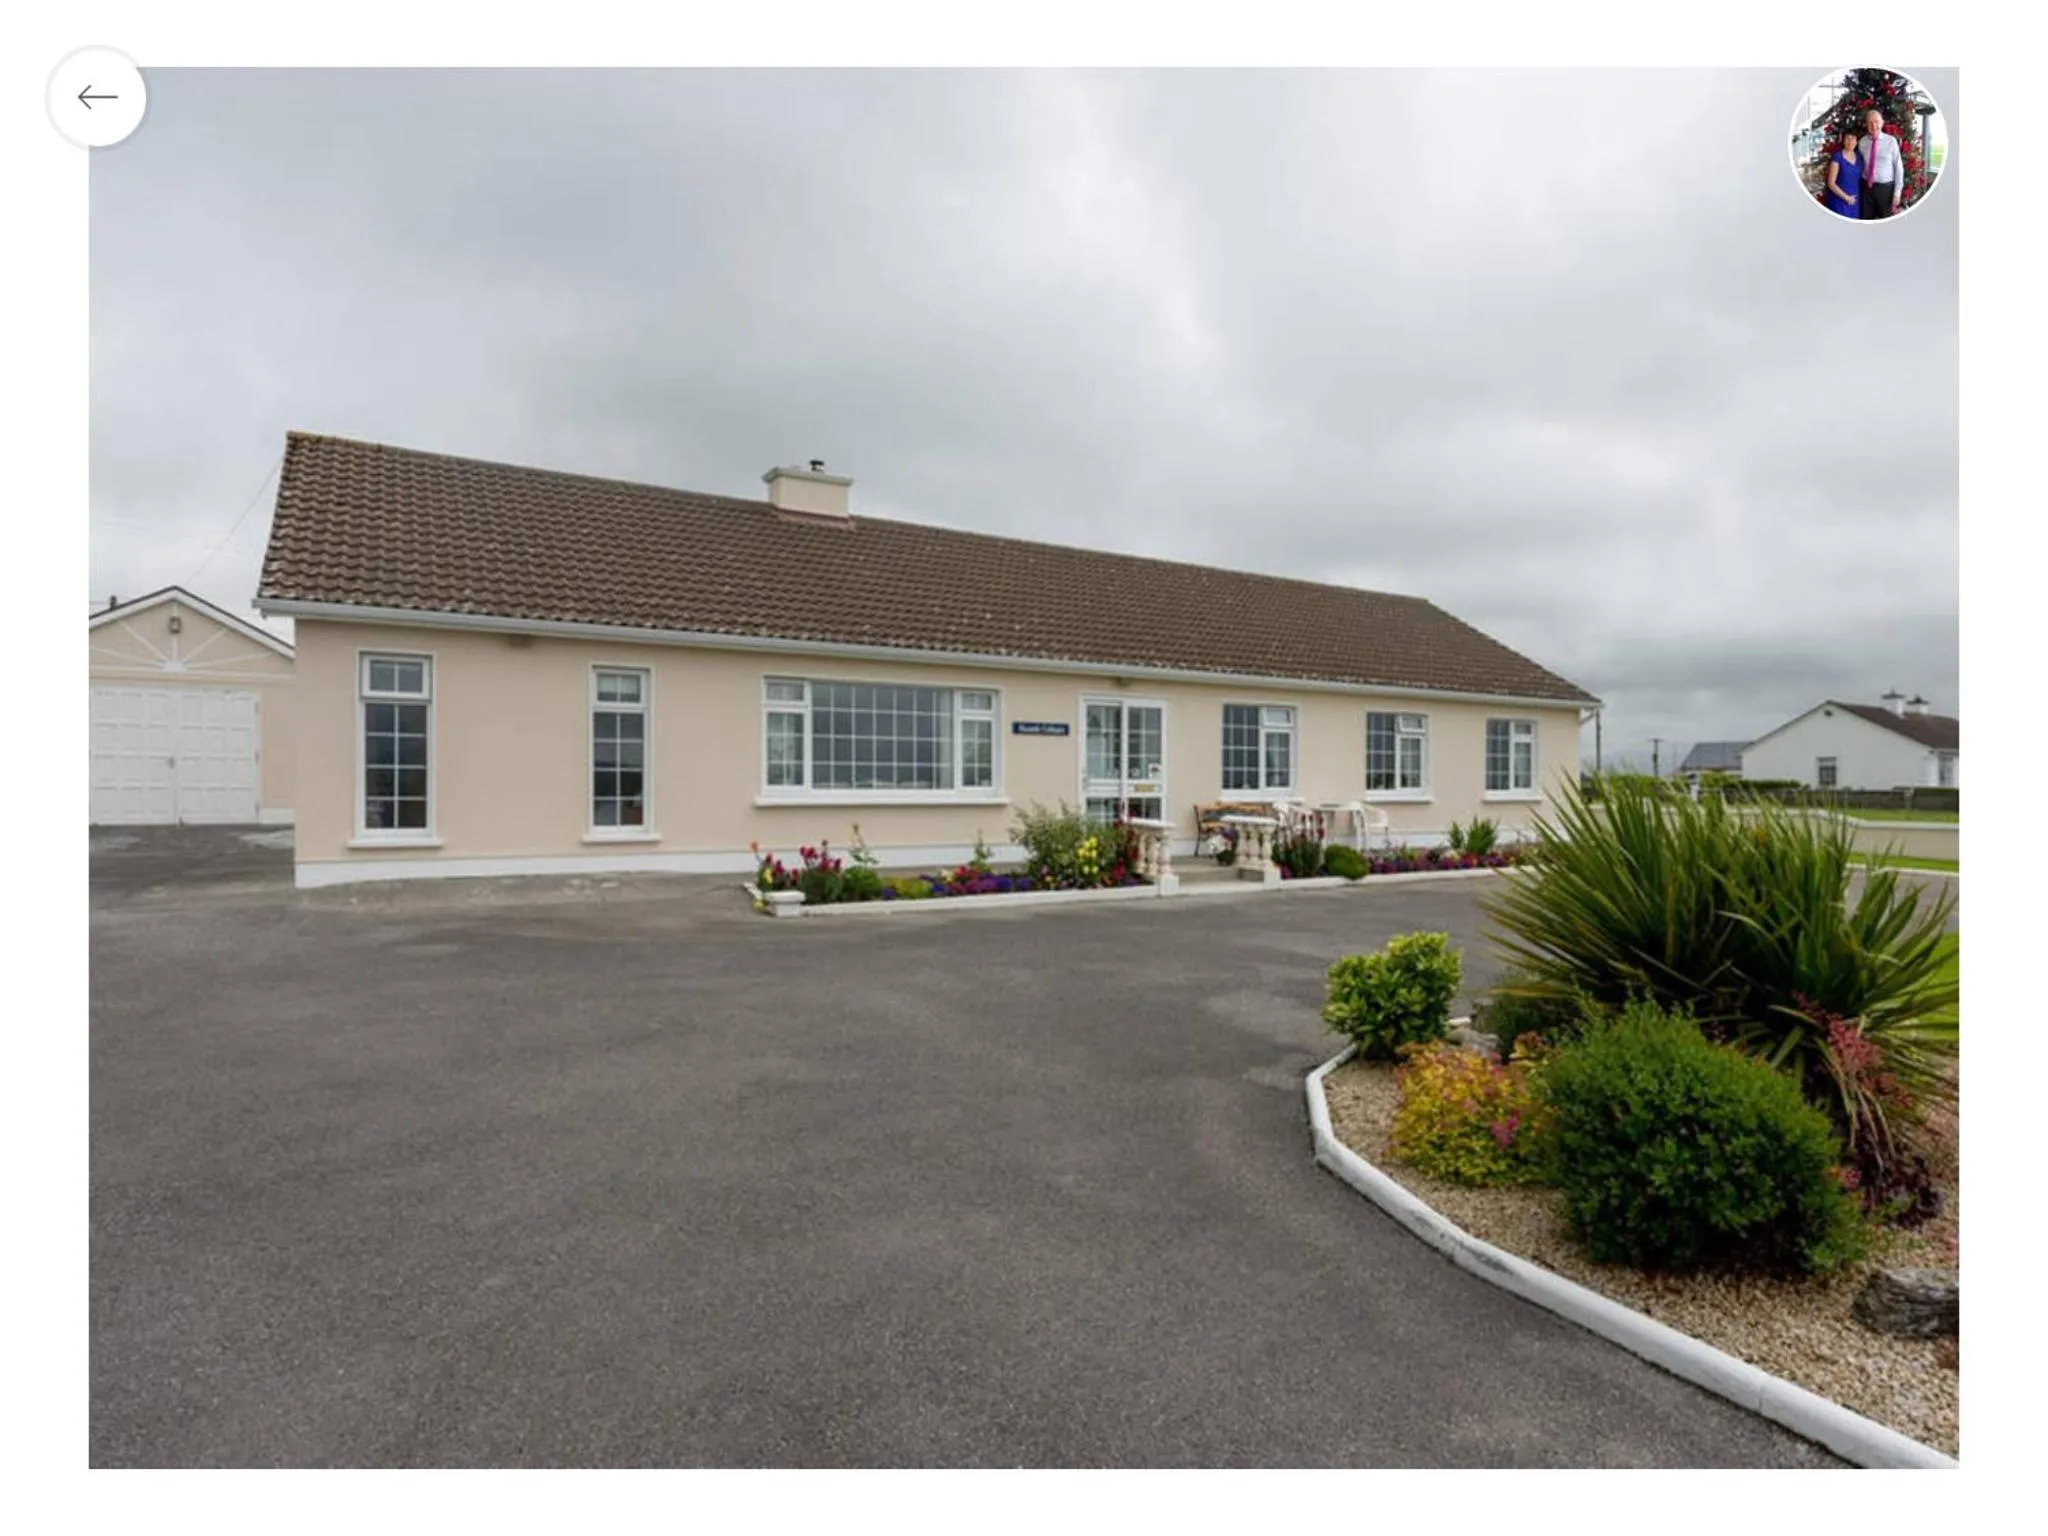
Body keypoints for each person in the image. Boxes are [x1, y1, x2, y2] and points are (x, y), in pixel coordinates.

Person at [1857, 108, 1905, 219]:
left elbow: (1898, 167)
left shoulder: (1891, 141)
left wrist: (1897, 192)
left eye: (1876, 122)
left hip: (1886, 190)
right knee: (1866, 220)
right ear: (1866, 124)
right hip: (1866, 188)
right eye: (1870, 122)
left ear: (1882, 123)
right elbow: (1859, 164)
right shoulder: (1862, 142)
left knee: (1886, 221)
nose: (1873, 126)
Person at [1823, 131, 1862, 218]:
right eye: (1847, 138)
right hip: (1839, 201)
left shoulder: (1859, 158)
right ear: (1843, 140)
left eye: (1853, 138)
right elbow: (1831, 183)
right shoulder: (1837, 157)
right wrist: (1846, 198)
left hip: (1855, 202)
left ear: (1857, 141)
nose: (1850, 141)